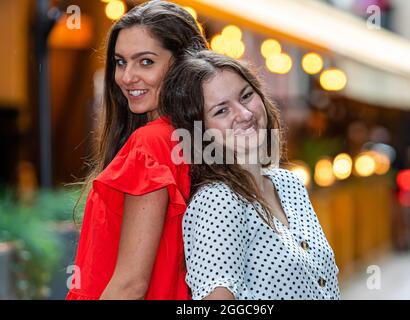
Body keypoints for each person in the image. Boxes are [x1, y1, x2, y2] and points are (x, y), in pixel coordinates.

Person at [159, 50, 340, 300]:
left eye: (246, 96)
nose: (244, 114)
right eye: (221, 111)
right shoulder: (217, 202)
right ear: (200, 131)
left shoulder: (289, 184)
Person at [66, 1, 208, 300]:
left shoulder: (151, 143)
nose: (127, 77)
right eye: (120, 62)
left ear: (183, 65)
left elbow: (130, 286)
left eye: (146, 62)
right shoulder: (191, 140)